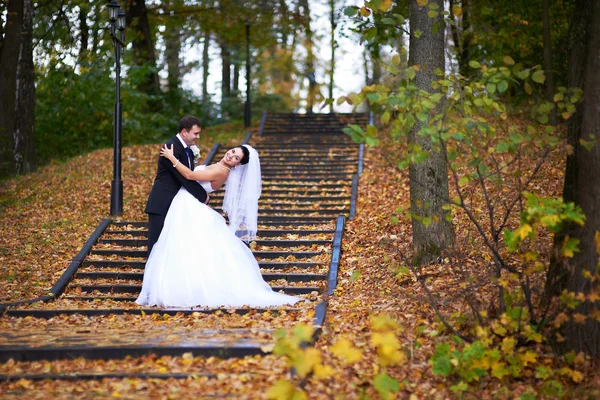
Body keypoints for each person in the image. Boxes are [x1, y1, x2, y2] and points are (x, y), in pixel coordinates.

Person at [135, 143, 301, 308]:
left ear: (238, 164)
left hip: (189, 205)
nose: (231, 156)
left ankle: (184, 290)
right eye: (233, 152)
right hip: (185, 202)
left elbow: (191, 176)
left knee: (183, 247)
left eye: (236, 158)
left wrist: (171, 157)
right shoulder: (219, 165)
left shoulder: (221, 171)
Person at [145, 116, 208, 257]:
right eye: (195, 133)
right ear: (184, 132)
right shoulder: (170, 149)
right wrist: (203, 196)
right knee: (156, 244)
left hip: (176, 205)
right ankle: (151, 278)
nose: (198, 137)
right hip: (162, 203)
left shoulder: (188, 149)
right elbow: (184, 178)